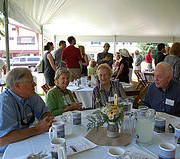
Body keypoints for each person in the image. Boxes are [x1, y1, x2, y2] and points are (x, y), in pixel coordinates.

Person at [0, 68, 53, 152]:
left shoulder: (31, 95)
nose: (35, 84)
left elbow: (45, 113)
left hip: (27, 140)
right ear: (17, 85)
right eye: (31, 82)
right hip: (10, 150)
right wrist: (37, 129)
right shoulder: (4, 102)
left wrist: (47, 120)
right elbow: (3, 139)